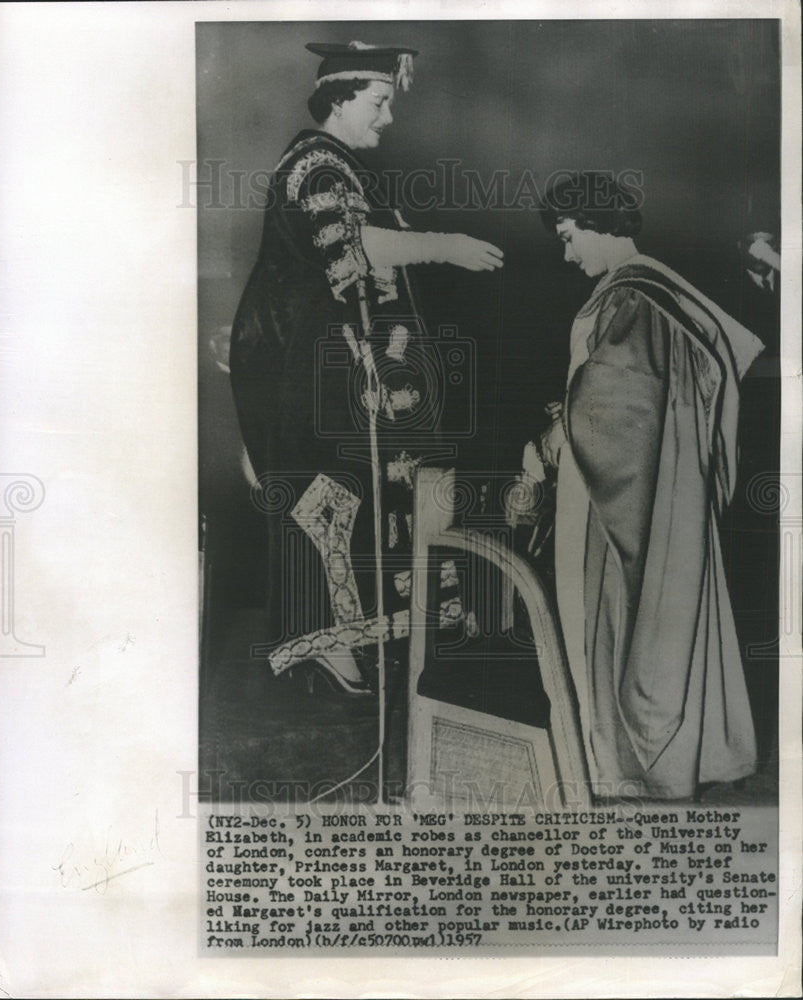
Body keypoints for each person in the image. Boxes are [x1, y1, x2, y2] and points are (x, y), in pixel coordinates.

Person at [229, 41, 503, 694]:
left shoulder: (340, 166)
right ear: (341, 100)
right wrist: (445, 246)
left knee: (362, 489)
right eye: (378, 104)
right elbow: (352, 244)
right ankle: (325, 639)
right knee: (328, 492)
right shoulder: (318, 166)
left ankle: (358, 640)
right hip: (301, 362)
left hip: (333, 361)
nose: (386, 119)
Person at [539, 172, 763, 800]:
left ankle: (630, 767)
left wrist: (553, 440)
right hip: (670, 492)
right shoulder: (663, 291)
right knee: (680, 611)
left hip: (626, 496)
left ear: (598, 224)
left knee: (620, 617)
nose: (567, 253)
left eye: (569, 236)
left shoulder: (632, 298)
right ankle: (698, 755)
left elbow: (613, 407)